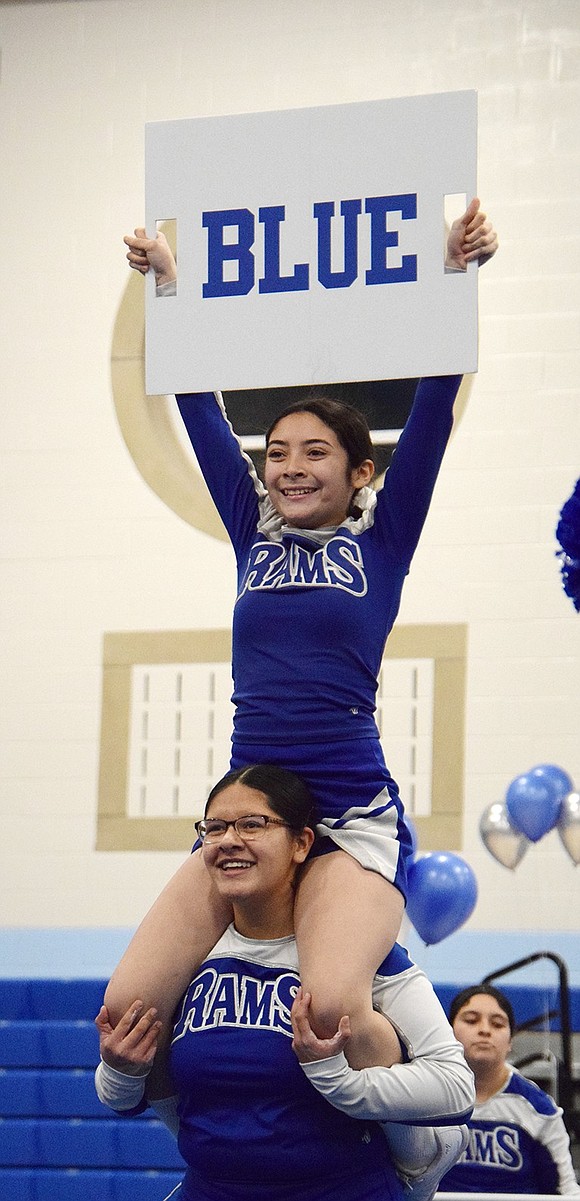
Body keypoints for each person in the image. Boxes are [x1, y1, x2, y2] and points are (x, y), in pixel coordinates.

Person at [106, 199, 498, 1085]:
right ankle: (207, 1143)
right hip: (250, 814)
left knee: (327, 1011)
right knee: (124, 1013)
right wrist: (167, 285)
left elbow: (435, 407)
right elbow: (197, 404)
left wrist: (459, 272)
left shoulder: (381, 544)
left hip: (349, 813)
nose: (290, 466)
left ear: (360, 471)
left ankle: (403, 1147)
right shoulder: (254, 536)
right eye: (277, 451)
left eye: (315, 452)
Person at [96, 764, 475, 1201]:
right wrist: (122, 1071)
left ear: (301, 843)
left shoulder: (355, 956)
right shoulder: (183, 959)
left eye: (252, 825)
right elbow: (119, 1099)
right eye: (214, 828)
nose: (229, 840)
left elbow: (455, 1089)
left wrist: (341, 1083)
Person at [440, 984, 580, 1195]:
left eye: (497, 1024)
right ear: (448, 1032)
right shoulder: (424, 1100)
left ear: (510, 1041)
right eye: (471, 1020)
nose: (484, 1030)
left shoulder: (538, 1110)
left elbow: (566, 1192)